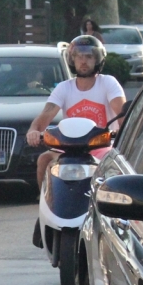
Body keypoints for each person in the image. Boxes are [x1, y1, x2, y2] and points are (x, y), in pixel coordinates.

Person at [26, 36, 126, 187]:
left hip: (102, 147)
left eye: (89, 56)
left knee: (112, 171)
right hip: (69, 149)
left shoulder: (108, 83)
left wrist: (124, 131)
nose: (83, 61)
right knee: (44, 160)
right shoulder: (63, 87)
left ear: (98, 59)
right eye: (79, 56)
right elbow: (46, 115)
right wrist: (33, 130)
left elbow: (122, 113)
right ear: (72, 59)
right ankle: (46, 203)